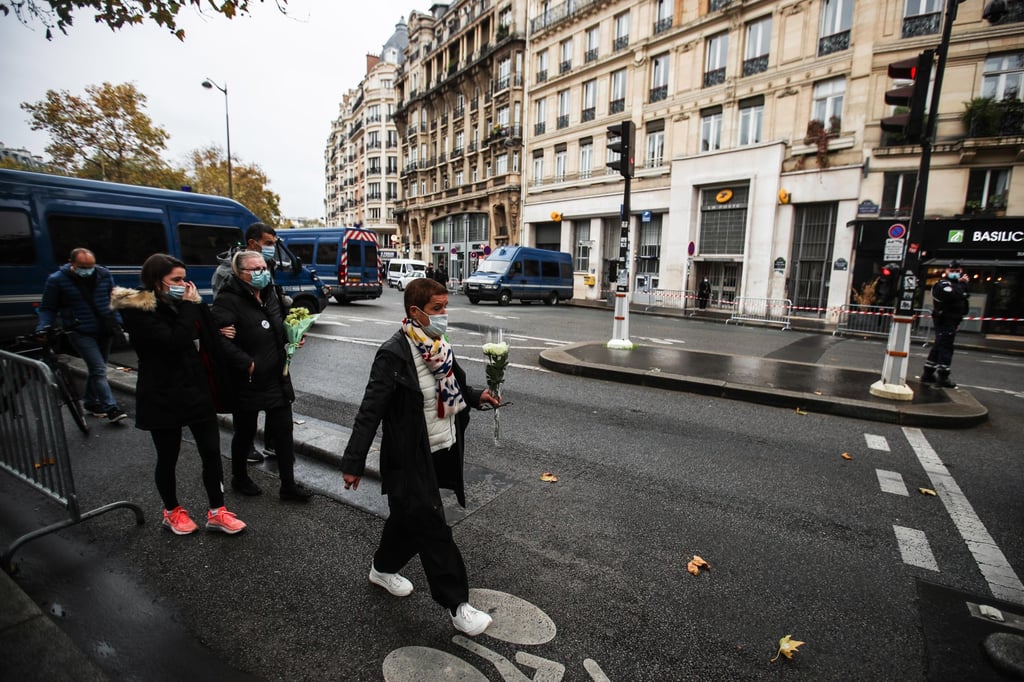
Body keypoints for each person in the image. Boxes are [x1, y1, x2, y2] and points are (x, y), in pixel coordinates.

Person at [341, 277, 501, 637]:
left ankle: (382, 568)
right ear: (415, 312)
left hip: (441, 449)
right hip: (409, 457)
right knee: (432, 525)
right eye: (436, 308)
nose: (444, 314)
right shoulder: (394, 354)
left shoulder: (439, 345)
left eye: (446, 307)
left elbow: (456, 386)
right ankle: (458, 605)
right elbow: (371, 410)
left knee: (408, 520)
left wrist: (478, 397)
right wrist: (353, 462)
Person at [110, 254, 247, 535]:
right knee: (168, 455)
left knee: (211, 452)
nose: (183, 284)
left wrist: (220, 330)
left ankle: (216, 511)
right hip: (161, 393)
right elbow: (173, 341)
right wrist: (188, 306)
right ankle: (172, 511)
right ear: (156, 281)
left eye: (184, 278)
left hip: (196, 389)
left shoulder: (187, 303)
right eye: (176, 280)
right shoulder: (137, 309)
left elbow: (207, 333)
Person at [213, 250, 313, 502]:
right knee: (245, 433)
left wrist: (293, 338)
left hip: (277, 377)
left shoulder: (271, 294)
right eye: (254, 269)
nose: (261, 273)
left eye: (263, 268)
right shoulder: (228, 299)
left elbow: (280, 327)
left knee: (284, 433)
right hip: (248, 380)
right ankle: (239, 476)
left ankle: (288, 485)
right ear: (239, 273)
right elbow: (219, 340)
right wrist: (247, 365)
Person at [213, 222, 283, 463]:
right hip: (248, 362)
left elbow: (272, 307)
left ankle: (275, 448)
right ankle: (242, 464)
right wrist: (247, 363)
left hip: (271, 361)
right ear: (253, 243)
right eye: (269, 244)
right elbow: (224, 315)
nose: (272, 249)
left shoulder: (266, 277)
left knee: (279, 412)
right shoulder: (228, 275)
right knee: (246, 420)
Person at [36, 247, 128, 423]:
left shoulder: (103, 274)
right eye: (83, 266)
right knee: (99, 369)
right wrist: (43, 327)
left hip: (105, 329)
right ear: (72, 264)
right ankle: (111, 407)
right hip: (80, 330)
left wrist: (118, 321)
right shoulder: (57, 280)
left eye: (91, 265)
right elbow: (48, 308)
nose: (87, 270)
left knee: (97, 368)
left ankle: (91, 402)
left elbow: (112, 298)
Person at [921, 260, 970, 388]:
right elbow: (954, 295)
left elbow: (962, 299)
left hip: (952, 319)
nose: (955, 273)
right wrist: (962, 286)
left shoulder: (956, 285)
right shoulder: (942, 284)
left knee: (939, 345)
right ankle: (943, 375)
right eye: (952, 271)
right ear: (946, 271)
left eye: (957, 271)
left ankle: (928, 372)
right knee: (946, 347)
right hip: (944, 319)